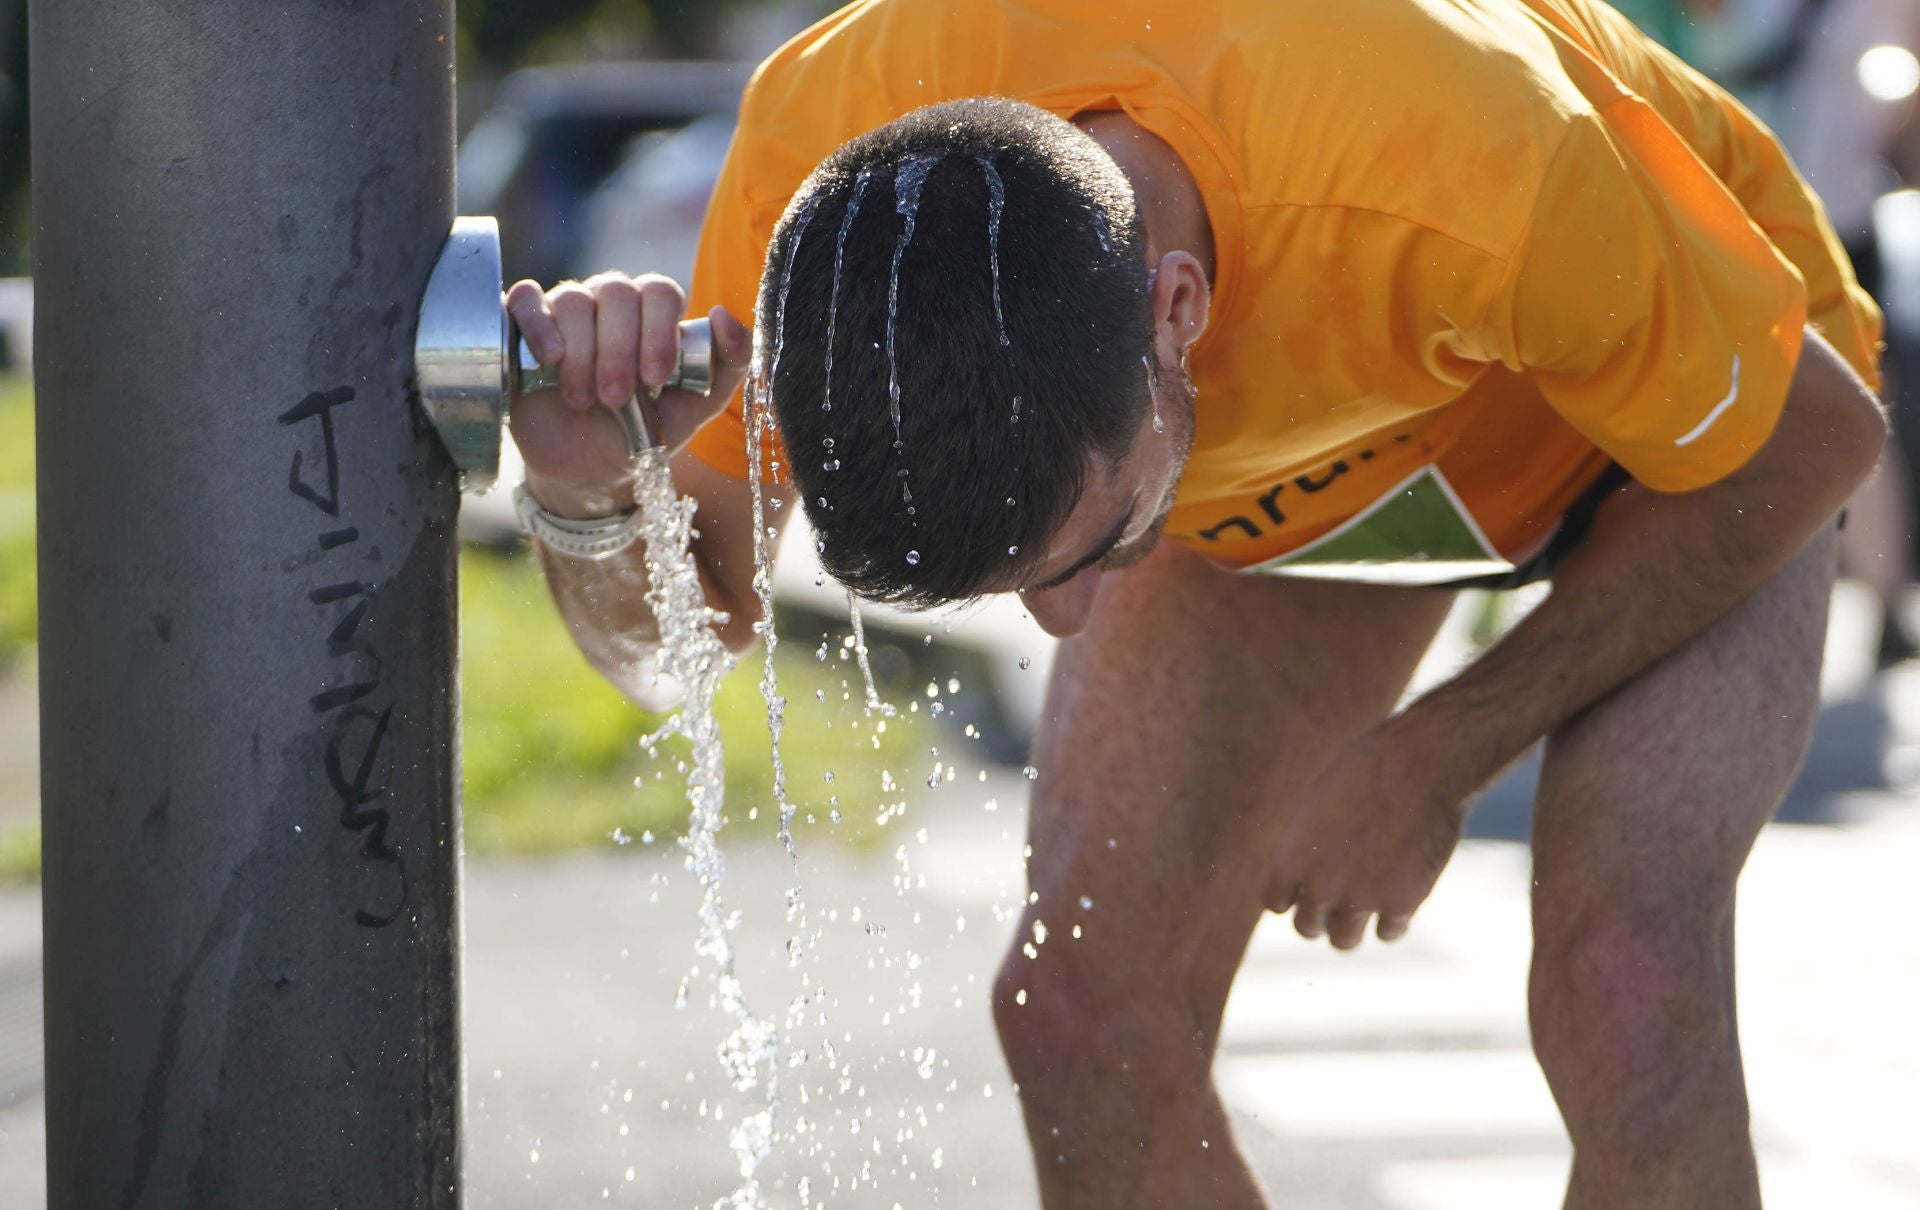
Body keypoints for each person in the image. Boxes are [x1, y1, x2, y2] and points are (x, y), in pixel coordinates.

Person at [503, 1, 1887, 1206]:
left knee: (1626, 981)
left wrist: (1442, 751)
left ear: (1178, 309)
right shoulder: (837, 188)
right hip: (1351, 456)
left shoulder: (1458, 150)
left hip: (1689, 446)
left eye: (1090, 550)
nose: (1069, 627)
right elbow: (679, 641)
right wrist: (584, 494)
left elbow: (1820, 441)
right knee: (1082, 1020)